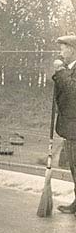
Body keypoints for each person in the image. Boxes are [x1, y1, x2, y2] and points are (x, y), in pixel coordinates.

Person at [53, 35, 76, 214]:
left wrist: (60, 72)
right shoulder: (69, 70)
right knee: (74, 167)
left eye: (63, 48)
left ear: (73, 49)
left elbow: (72, 94)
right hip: (70, 128)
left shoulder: (71, 71)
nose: (61, 52)